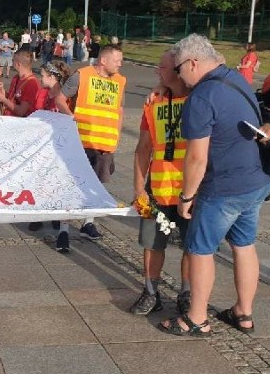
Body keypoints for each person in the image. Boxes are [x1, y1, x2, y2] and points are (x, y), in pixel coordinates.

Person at [158, 34, 270, 337]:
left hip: (223, 188)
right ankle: (243, 312)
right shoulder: (235, 79)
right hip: (254, 181)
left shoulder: (202, 96)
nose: (180, 76)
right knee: (244, 245)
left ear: (193, 63)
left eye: (180, 70)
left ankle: (197, 317)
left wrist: (187, 195)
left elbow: (196, 158)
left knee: (199, 250)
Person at [130, 51, 191, 315]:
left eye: (162, 67)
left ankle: (187, 294)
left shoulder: (197, 99)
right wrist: (138, 188)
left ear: (178, 70)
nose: (157, 71)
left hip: (191, 191)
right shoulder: (153, 102)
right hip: (158, 188)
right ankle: (151, 292)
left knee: (192, 246)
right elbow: (143, 149)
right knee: (152, 243)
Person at [59, 43, 126, 241]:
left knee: (96, 185)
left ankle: (88, 222)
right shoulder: (82, 75)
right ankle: (64, 227)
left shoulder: (120, 81)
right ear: (103, 60)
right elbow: (61, 98)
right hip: (81, 140)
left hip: (105, 143)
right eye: (117, 60)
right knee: (73, 183)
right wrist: (70, 117)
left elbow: (119, 110)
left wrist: (117, 135)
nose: (120, 64)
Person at [28, 62, 74, 249]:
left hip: (61, 146)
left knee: (62, 184)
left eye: (44, 74)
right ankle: (42, 214)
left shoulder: (66, 96)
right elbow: (37, 115)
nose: (41, 77)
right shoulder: (41, 93)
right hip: (44, 145)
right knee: (42, 181)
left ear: (53, 76)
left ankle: (62, 226)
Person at [0, 50, 39, 117]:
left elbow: (21, 111)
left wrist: (3, 100)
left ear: (18, 64)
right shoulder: (16, 78)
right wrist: (2, 90)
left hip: (19, 123)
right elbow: (12, 98)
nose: (12, 63)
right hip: (9, 117)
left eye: (13, 61)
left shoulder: (31, 83)